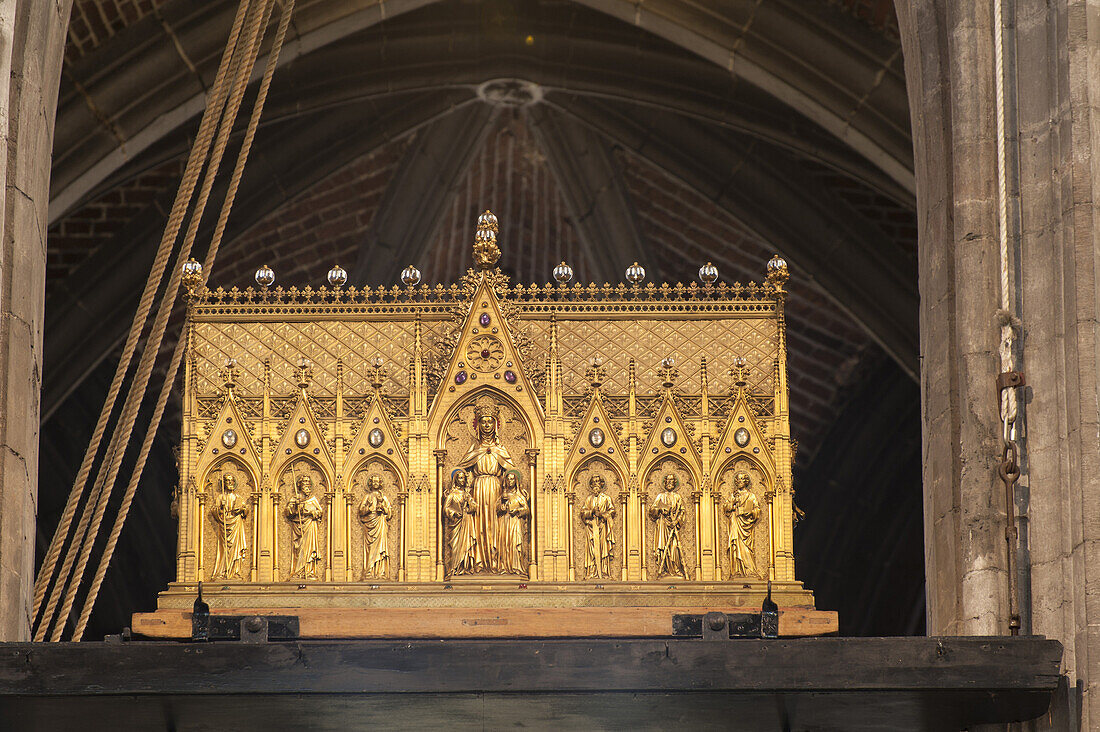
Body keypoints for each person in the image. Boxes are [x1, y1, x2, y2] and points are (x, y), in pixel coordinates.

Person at [456, 401, 516, 572]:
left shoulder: (500, 450)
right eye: (483, 421)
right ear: (477, 424)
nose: (487, 425)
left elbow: (511, 473)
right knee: (479, 525)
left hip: (496, 490)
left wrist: (513, 492)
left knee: (495, 526)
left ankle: (497, 560)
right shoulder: (474, 449)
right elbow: (463, 470)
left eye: (490, 421)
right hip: (478, 490)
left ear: (496, 424)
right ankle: (479, 561)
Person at [210, 473, 248, 579]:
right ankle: (223, 571)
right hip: (225, 524)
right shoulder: (220, 497)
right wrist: (221, 508)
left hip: (236, 524)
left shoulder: (238, 497)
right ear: (224, 483)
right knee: (225, 548)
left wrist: (242, 509)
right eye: (227, 481)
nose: (230, 483)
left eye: (231, 481)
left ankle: (235, 572)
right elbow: (214, 511)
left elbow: (245, 510)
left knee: (236, 548)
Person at [649, 473, 687, 578]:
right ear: (665, 483)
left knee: (674, 547)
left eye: (672, 481)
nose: (669, 483)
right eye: (668, 481)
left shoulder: (677, 497)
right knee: (663, 547)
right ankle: (664, 570)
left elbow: (682, 511)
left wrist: (677, 521)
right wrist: (660, 509)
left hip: (673, 526)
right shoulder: (660, 496)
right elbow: (652, 510)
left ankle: (675, 570)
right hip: (663, 526)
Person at [286, 473, 324, 579]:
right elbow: (288, 512)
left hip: (310, 526)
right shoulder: (295, 499)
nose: (306, 484)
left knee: (309, 548)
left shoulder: (313, 499)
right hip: (298, 527)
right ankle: (298, 571)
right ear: (299, 484)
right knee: (299, 548)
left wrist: (312, 512)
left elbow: (319, 512)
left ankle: (309, 570)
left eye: (308, 482)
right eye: (304, 482)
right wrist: (296, 507)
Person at [723, 471, 760, 577]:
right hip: (735, 523)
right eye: (737, 480)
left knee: (746, 548)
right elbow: (726, 508)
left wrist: (750, 512)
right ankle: (737, 570)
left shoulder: (751, 496)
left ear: (746, 481)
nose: (739, 482)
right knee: (735, 545)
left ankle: (749, 570)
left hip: (746, 526)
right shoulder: (733, 496)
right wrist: (733, 503)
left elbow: (757, 510)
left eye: (741, 479)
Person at [580, 474, 616, 579]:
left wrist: (602, 515)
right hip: (592, 528)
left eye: (597, 482)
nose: (596, 484)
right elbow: (583, 512)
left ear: (601, 484)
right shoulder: (589, 499)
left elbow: (612, 510)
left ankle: (604, 572)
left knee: (603, 549)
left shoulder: (606, 498)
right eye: (593, 482)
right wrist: (591, 512)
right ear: (591, 485)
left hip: (603, 527)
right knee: (592, 551)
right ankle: (592, 572)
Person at [443, 469, 477, 576]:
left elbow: (474, 507)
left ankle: (465, 567)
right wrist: (454, 513)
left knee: (466, 545)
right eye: (460, 478)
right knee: (456, 547)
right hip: (456, 524)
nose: (462, 480)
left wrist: (469, 504)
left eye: (463, 478)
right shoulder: (452, 495)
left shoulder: (467, 494)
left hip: (466, 522)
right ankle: (454, 568)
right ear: (456, 480)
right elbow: (445, 509)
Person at [358, 473, 392, 579]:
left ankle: (381, 572)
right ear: (370, 483)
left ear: (380, 483)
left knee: (381, 548)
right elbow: (361, 510)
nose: (375, 483)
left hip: (380, 524)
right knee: (371, 549)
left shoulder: (384, 498)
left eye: (377, 481)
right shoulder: (367, 497)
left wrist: (383, 508)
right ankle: (369, 571)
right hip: (370, 524)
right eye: (374, 481)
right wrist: (369, 509)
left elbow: (389, 513)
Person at [496, 471, 529, 575]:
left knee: (515, 544)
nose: (510, 481)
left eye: (512, 479)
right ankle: (504, 567)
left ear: (516, 481)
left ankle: (517, 567)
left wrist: (518, 511)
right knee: (504, 544)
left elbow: (526, 509)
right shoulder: (503, 496)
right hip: (505, 522)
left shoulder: (519, 496)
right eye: (508, 479)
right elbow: (497, 509)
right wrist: (501, 508)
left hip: (515, 522)